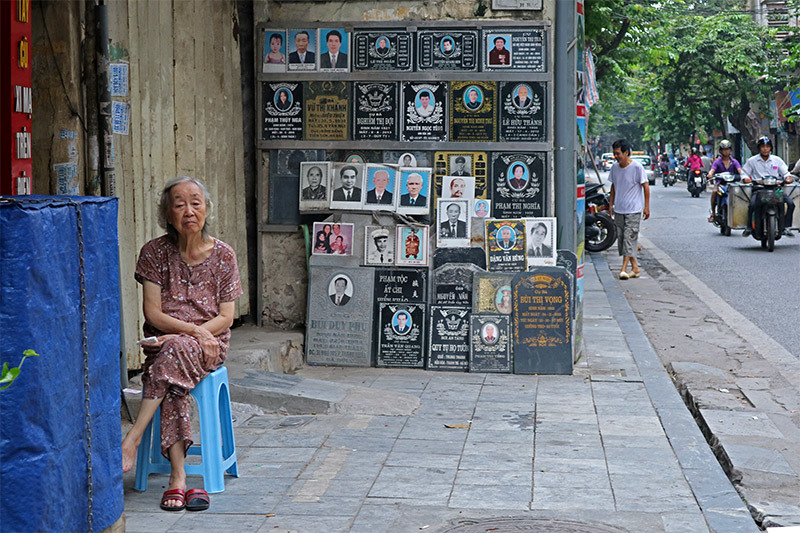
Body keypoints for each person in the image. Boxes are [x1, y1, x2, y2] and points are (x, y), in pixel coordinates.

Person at [121, 177, 242, 512]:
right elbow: (153, 313)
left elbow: (227, 317)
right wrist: (192, 330)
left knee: (173, 356)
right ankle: (180, 477)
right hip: (165, 342)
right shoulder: (154, 253)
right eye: (179, 204)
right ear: (168, 214)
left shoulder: (223, 255)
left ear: (207, 209)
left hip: (210, 346)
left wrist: (201, 334)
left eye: (196, 202)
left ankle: (144, 448)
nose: (189, 210)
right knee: (173, 365)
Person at [608, 138, 650, 280]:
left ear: (626, 153)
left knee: (628, 238)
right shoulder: (614, 167)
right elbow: (613, 187)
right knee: (622, 239)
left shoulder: (637, 167)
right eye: (615, 153)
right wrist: (610, 205)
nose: (616, 156)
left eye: (618, 153)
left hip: (634, 210)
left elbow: (645, 186)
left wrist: (646, 207)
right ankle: (635, 268)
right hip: (619, 209)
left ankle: (624, 269)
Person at [741, 136, 795, 237]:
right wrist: (745, 178)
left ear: (771, 148)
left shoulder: (777, 160)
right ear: (759, 148)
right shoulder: (752, 161)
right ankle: (749, 227)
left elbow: (785, 172)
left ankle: (786, 227)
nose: (765, 149)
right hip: (759, 189)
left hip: (776, 189)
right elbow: (744, 173)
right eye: (763, 146)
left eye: (767, 146)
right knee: (752, 205)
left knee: (790, 203)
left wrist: (788, 178)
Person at [707, 139, 742, 223]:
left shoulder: (734, 162)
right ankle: (713, 213)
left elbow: (740, 170)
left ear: (730, 150)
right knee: (714, 192)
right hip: (720, 184)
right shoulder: (717, 162)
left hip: (732, 185)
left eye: (727, 149)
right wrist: (710, 174)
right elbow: (712, 170)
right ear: (720, 151)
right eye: (724, 149)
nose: (726, 151)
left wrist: (744, 176)